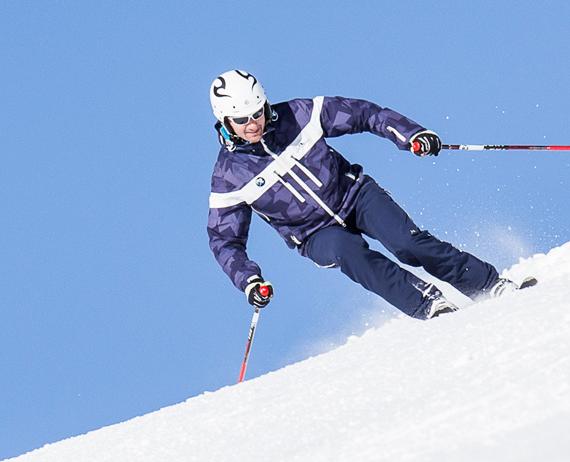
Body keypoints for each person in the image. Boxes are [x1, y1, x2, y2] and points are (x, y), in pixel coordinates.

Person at [206, 70, 534, 319]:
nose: (253, 123)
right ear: (224, 121)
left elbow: (363, 113)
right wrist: (249, 281)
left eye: (258, 112)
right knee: (350, 253)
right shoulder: (229, 177)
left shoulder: (299, 115)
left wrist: (411, 134)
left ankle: (486, 284)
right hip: (313, 234)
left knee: (408, 243)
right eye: (242, 119)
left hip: (354, 194)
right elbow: (225, 240)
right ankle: (428, 303)